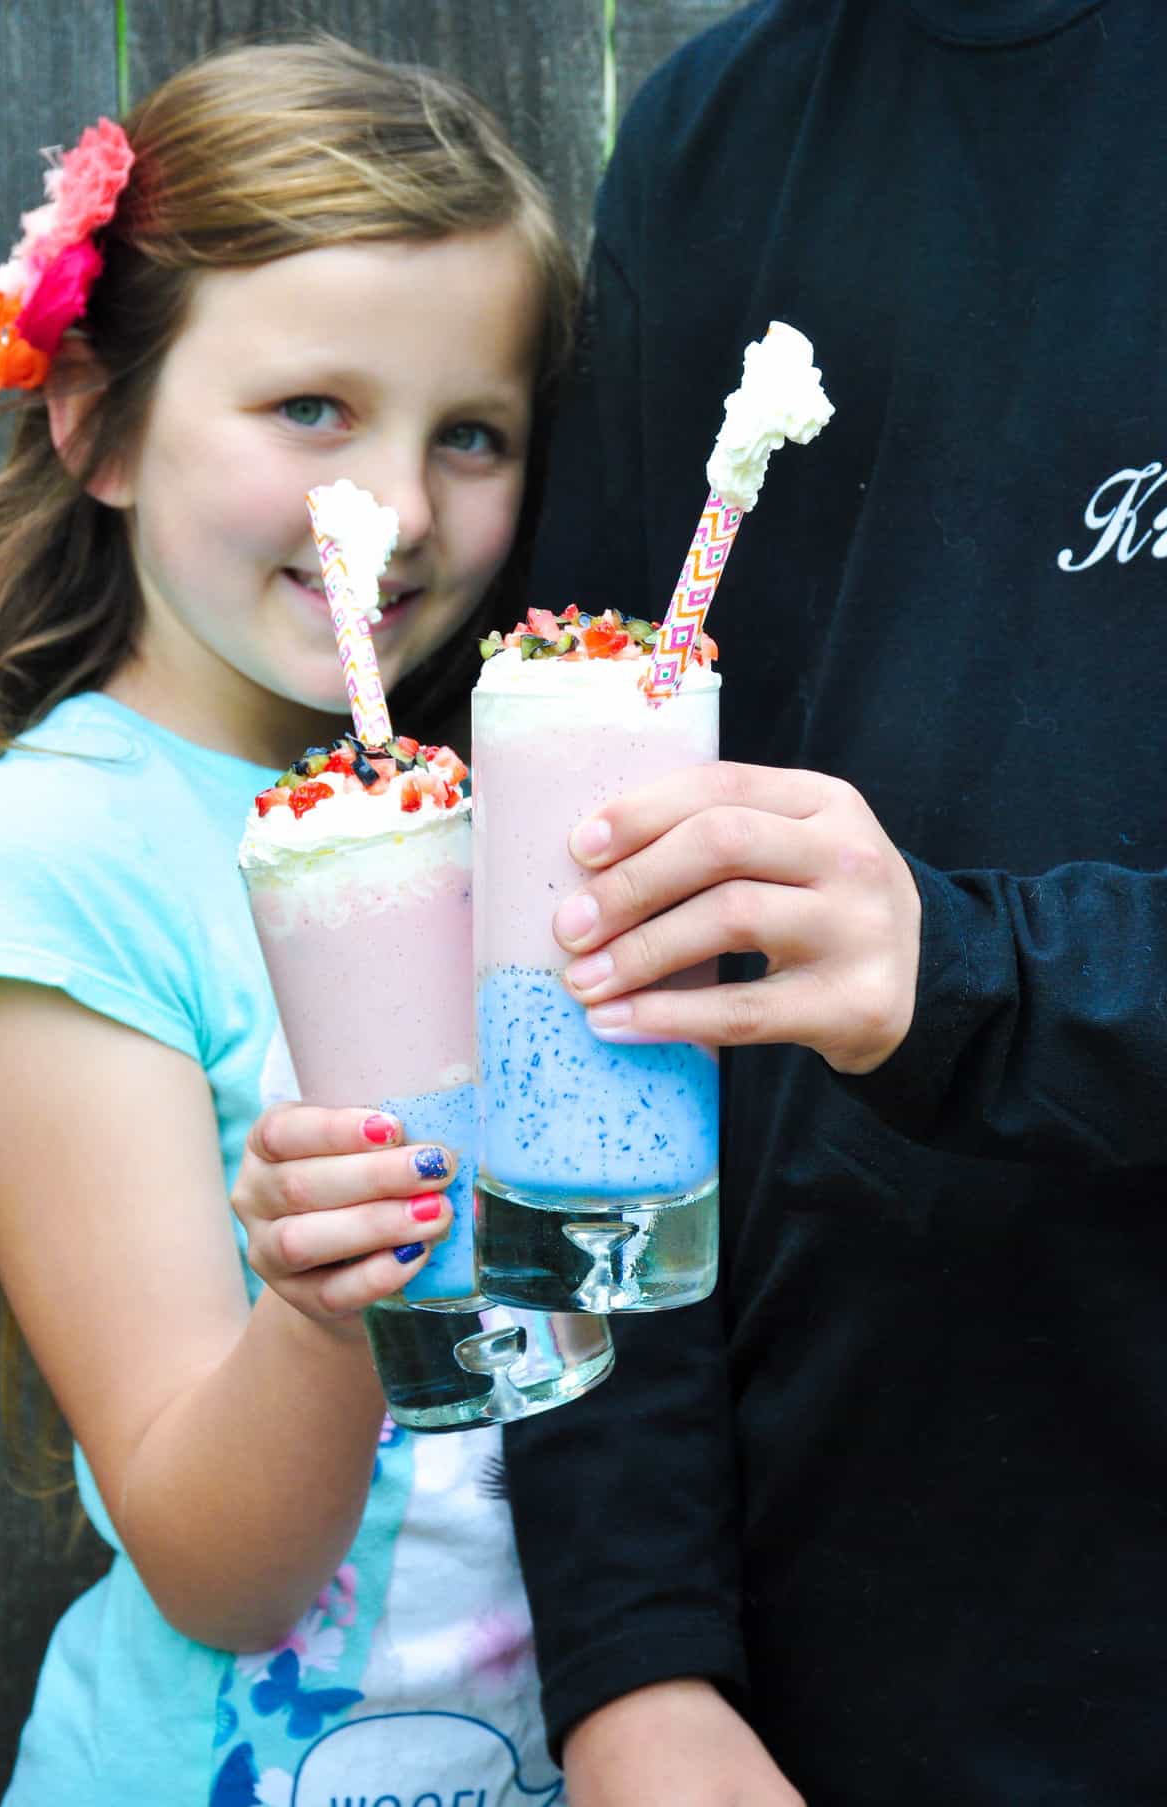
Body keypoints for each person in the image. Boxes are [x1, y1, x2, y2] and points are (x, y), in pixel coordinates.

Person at [502, 1, 1167, 1803]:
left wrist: (979, 979)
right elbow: (578, 965)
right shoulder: (716, 136)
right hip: (818, 1668)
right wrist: (635, 1659)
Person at [0, 40, 577, 1805]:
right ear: (94, 421)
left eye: (470, 433)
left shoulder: (507, 805)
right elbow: (216, 1568)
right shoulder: (62, 858)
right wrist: (321, 1318)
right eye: (312, 409)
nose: (386, 511)